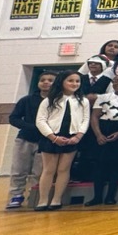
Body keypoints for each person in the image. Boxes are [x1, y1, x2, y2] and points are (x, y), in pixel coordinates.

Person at [34, 71, 90, 210]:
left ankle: (56, 200)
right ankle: (42, 200)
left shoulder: (83, 100)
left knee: (64, 169)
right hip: (52, 137)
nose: (74, 84)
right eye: (70, 81)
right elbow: (40, 120)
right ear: (62, 82)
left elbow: (85, 120)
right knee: (49, 170)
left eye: (77, 81)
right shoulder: (49, 100)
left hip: (72, 138)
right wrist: (53, 137)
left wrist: (78, 136)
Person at [6, 71, 54, 209]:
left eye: (50, 80)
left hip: (45, 141)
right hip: (25, 139)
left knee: (38, 172)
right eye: (43, 80)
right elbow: (13, 118)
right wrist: (32, 127)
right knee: (19, 169)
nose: (46, 82)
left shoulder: (57, 101)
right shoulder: (26, 100)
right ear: (38, 83)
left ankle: (33, 195)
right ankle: (16, 195)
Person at [87, 73, 118, 205]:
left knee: (116, 164)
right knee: (99, 165)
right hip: (103, 127)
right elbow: (95, 116)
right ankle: (97, 197)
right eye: (116, 81)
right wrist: (98, 134)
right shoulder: (103, 97)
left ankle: (110, 196)